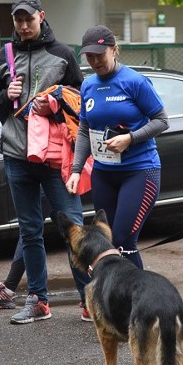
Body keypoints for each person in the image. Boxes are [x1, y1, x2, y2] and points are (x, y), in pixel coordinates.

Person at [0, 0, 90, 324]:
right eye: (19, 19)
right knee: (29, 230)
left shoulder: (62, 54)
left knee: (73, 227)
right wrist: (5, 95)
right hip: (17, 154)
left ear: (41, 16)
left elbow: (81, 98)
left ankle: (91, 301)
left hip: (56, 157)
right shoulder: (4, 55)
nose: (24, 25)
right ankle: (38, 301)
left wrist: (56, 100)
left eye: (29, 18)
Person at [65, 25, 168, 269]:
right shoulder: (88, 85)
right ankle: (112, 301)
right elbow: (84, 129)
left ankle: (138, 301)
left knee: (122, 240)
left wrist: (130, 138)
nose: (95, 61)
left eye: (99, 55)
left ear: (114, 50)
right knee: (106, 241)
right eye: (89, 57)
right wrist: (77, 170)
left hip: (140, 171)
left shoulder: (134, 81)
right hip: (104, 173)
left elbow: (162, 121)